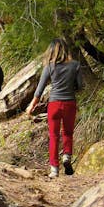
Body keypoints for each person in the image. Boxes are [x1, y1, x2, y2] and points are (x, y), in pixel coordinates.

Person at [26, 38, 83, 178]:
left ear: (51, 51)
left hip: (54, 104)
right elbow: (81, 86)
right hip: (70, 103)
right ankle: (67, 157)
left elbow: (39, 90)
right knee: (68, 133)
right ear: (66, 50)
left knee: (53, 136)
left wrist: (31, 106)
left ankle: (54, 170)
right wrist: (71, 86)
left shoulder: (49, 67)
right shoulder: (75, 65)